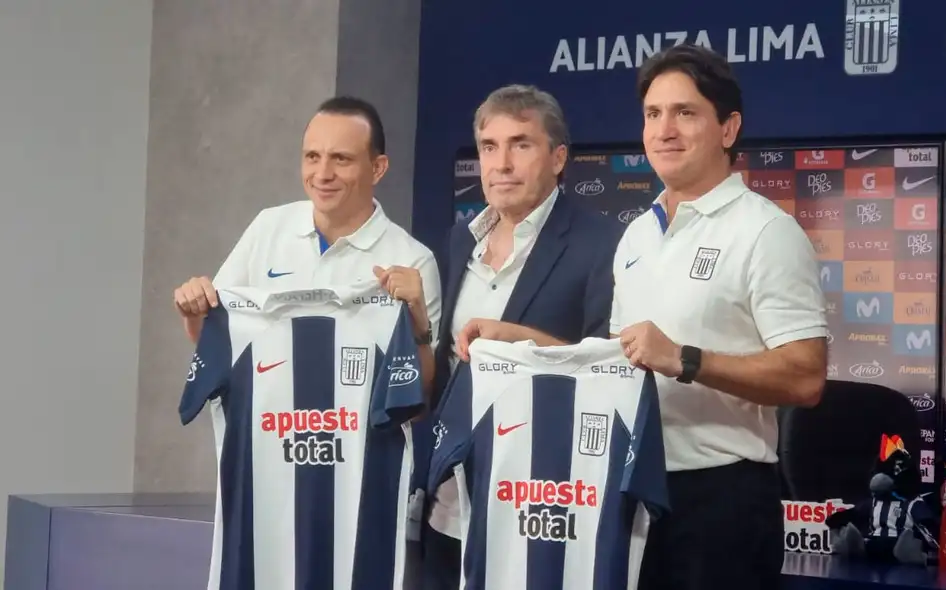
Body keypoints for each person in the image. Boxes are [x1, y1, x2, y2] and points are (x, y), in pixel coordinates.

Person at [612, 45, 828, 590]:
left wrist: (684, 359)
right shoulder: (636, 235)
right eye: (652, 114)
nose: (665, 130)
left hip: (721, 502)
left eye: (685, 113)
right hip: (631, 490)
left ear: (728, 128)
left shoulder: (765, 232)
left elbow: (805, 377)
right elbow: (619, 359)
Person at [420, 84, 622, 590]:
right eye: (490, 147)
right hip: (452, 503)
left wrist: (518, 340)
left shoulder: (601, 244)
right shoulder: (459, 239)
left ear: (558, 158)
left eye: (520, 145)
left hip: (540, 502)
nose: (501, 163)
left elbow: (613, 369)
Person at [172, 96, 442, 394]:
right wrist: (194, 313)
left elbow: (421, 401)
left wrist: (418, 331)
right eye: (312, 156)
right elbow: (217, 344)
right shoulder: (268, 227)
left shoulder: (413, 260)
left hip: (358, 441)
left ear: (378, 168)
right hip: (267, 435)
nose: (323, 174)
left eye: (341, 159)